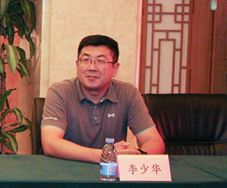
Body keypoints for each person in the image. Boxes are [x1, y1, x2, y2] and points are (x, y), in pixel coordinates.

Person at [41, 34, 165, 162]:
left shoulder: (127, 93)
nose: (92, 68)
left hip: (111, 172)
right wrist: (106, 155)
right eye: (86, 60)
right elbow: (50, 143)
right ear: (77, 65)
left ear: (115, 69)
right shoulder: (60, 92)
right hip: (68, 169)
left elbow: (154, 140)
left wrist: (136, 157)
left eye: (101, 61)